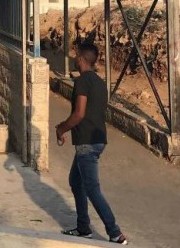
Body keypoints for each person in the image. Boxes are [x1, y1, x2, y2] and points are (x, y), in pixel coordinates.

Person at [56, 43, 127, 245]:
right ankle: (83, 228)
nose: (74, 59)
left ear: (80, 58)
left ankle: (115, 233)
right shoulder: (99, 82)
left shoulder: (82, 82)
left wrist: (61, 128)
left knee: (92, 189)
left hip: (87, 143)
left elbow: (79, 114)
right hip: (96, 140)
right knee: (75, 182)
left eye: (76, 56)